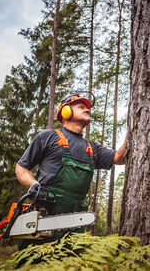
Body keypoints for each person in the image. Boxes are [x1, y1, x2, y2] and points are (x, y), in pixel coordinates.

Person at [15, 90, 127, 249]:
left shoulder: (92, 148)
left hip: (75, 223)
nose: (87, 110)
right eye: (81, 106)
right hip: (44, 215)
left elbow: (119, 158)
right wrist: (33, 184)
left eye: (87, 108)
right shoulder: (49, 136)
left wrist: (132, 131)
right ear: (65, 111)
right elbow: (21, 167)